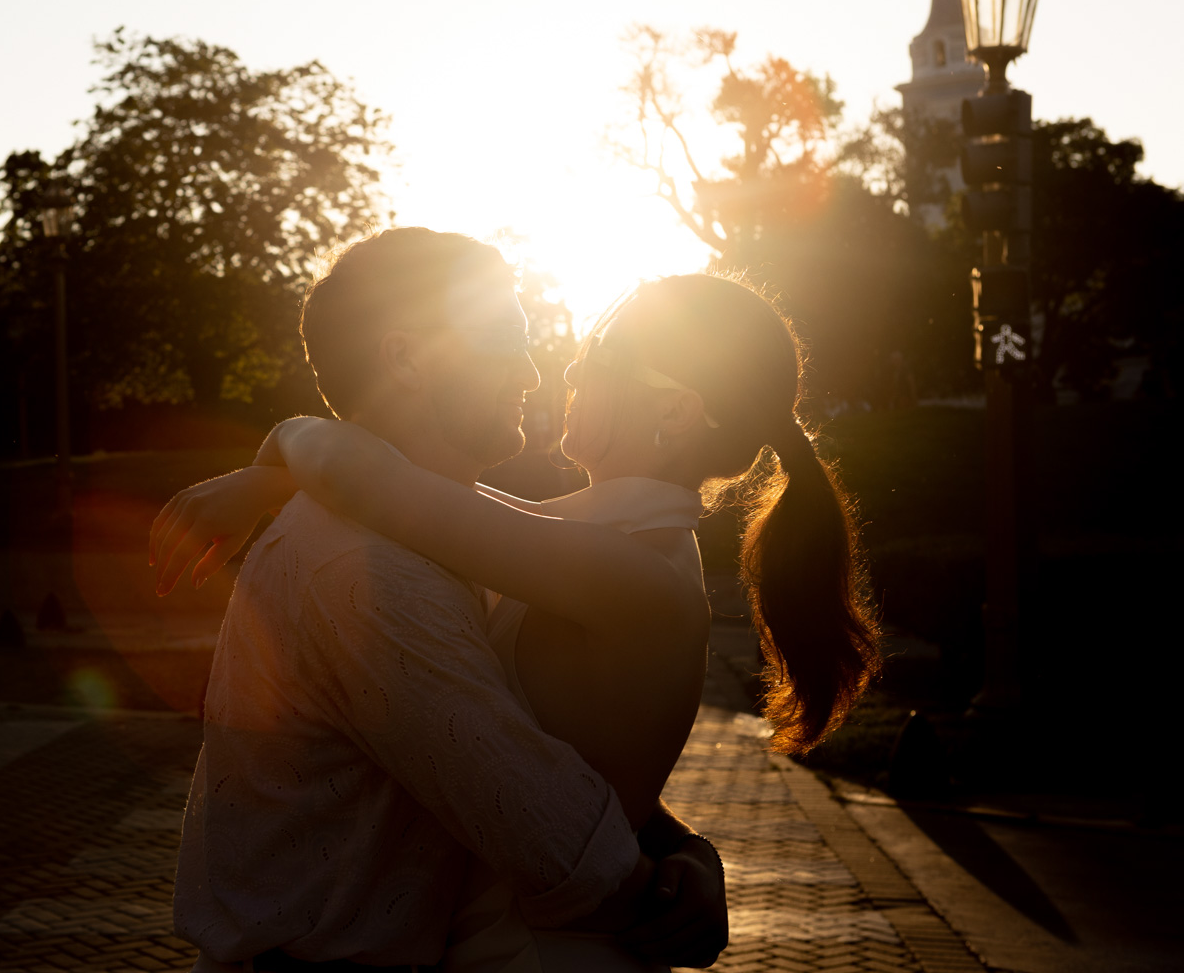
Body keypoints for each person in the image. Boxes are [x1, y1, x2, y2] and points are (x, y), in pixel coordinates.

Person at [156, 269, 881, 970]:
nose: (562, 373)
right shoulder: (594, 541)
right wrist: (682, 846)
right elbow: (564, 754)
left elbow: (374, 482)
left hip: (540, 948)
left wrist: (281, 447)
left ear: (674, 412)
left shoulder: (624, 566)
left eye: (602, 355)